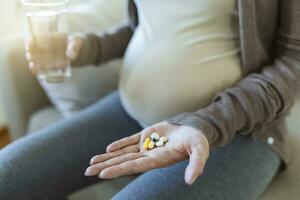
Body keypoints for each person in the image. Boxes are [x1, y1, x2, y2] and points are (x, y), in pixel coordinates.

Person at [0, 0, 299, 199]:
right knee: (7, 173)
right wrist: (86, 48)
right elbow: (149, 29)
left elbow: (293, 62)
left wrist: (207, 122)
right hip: (128, 113)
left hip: (234, 133)